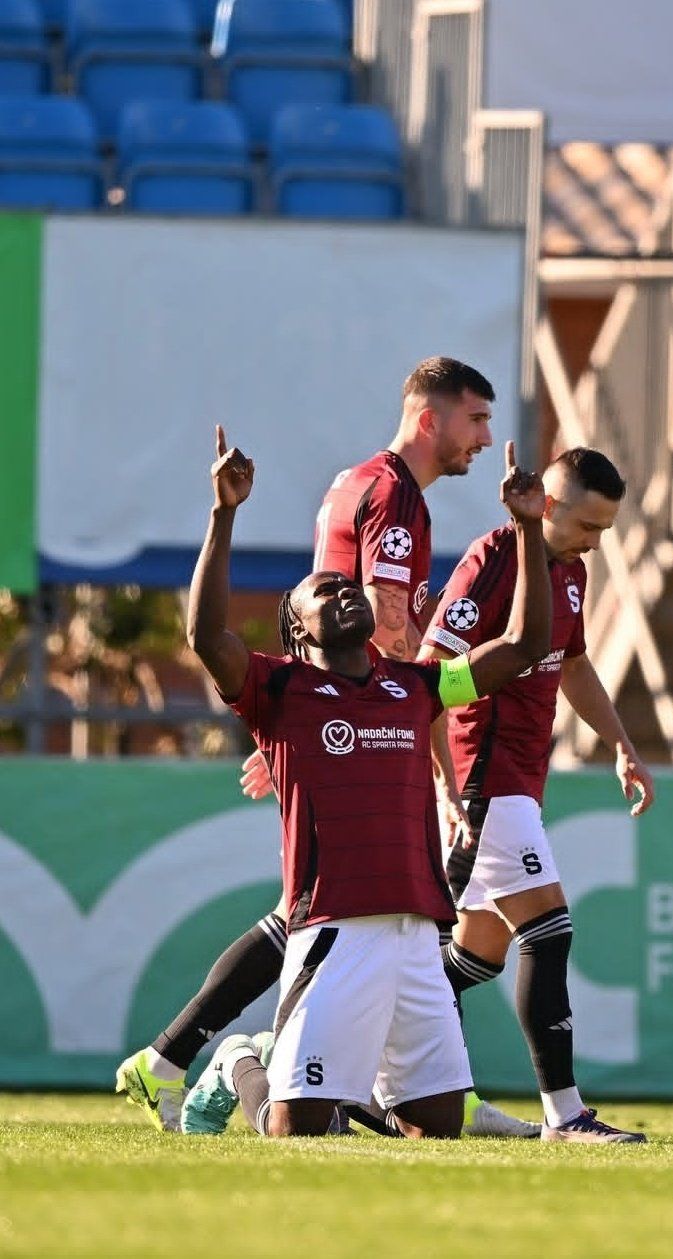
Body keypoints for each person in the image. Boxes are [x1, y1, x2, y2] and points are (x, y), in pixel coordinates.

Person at [117, 357, 537, 1137]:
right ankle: (241, 1063)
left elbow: (503, 644)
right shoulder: (397, 497)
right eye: (476, 419)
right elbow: (387, 624)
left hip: (350, 724)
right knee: (490, 917)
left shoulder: (353, 481)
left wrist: (327, 727)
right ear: (430, 417)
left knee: (367, 919)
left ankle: (188, 1056)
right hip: (358, 724)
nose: (486, 438)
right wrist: (420, 750)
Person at [420, 447, 655, 1143]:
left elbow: (573, 664)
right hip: (483, 777)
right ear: (546, 505)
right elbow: (433, 670)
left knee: (470, 959)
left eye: (606, 530)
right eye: (588, 525)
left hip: (521, 780)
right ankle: (565, 1114)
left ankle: (358, 1070)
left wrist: (620, 742)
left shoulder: (570, 571)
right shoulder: (494, 561)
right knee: (549, 931)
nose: (595, 542)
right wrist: (442, 781)